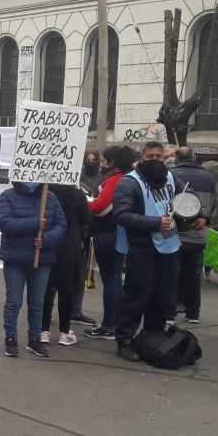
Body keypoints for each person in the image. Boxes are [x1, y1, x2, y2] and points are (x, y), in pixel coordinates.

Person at [112, 142, 199, 361]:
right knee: (136, 297)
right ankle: (124, 340)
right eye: (150, 156)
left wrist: (200, 214)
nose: (155, 160)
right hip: (142, 248)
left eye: (159, 156)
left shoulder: (170, 178)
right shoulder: (129, 182)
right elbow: (121, 215)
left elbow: (187, 199)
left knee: (162, 297)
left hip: (169, 247)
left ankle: (153, 337)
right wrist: (154, 223)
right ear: (141, 158)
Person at [0, 181, 67, 357]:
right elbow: (4, 223)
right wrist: (35, 223)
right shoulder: (8, 196)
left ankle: (34, 339)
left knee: (37, 302)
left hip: (42, 258)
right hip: (15, 259)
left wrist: (47, 239)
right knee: (14, 301)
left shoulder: (50, 197)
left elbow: (61, 225)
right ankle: (10, 338)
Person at [84, 144, 136, 340]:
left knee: (111, 281)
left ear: (113, 162)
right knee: (114, 280)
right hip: (117, 233)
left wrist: (86, 200)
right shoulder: (128, 178)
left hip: (108, 233)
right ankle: (115, 323)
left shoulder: (115, 181)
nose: (101, 164)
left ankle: (109, 325)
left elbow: (100, 208)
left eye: (104, 161)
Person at [171, 146, 217, 325]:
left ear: (176, 158)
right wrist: (205, 220)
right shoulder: (209, 177)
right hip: (198, 235)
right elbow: (215, 205)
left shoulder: (171, 175)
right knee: (194, 276)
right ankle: (193, 313)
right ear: (194, 157)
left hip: (174, 234)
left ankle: (170, 312)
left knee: (172, 275)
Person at [43, 183, 91, 347]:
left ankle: (43, 331)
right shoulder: (76, 191)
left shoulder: (45, 189)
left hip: (48, 238)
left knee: (47, 287)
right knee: (66, 287)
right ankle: (64, 332)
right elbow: (86, 216)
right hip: (70, 241)